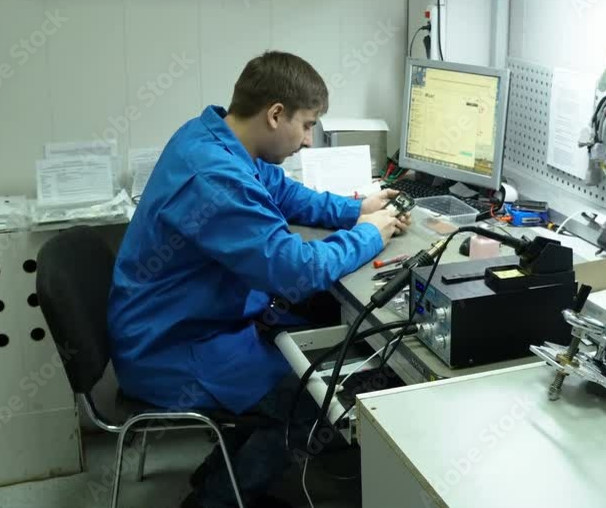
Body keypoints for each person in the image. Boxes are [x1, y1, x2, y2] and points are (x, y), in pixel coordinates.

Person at [107, 51, 410, 508]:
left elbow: (282, 191)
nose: (307, 141)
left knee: (308, 346)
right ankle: (216, 499)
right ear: (275, 114)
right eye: (306, 125)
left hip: (186, 323)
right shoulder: (214, 177)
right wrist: (370, 235)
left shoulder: (213, 137)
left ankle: (222, 470)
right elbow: (295, 270)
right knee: (314, 402)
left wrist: (356, 210)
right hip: (172, 348)